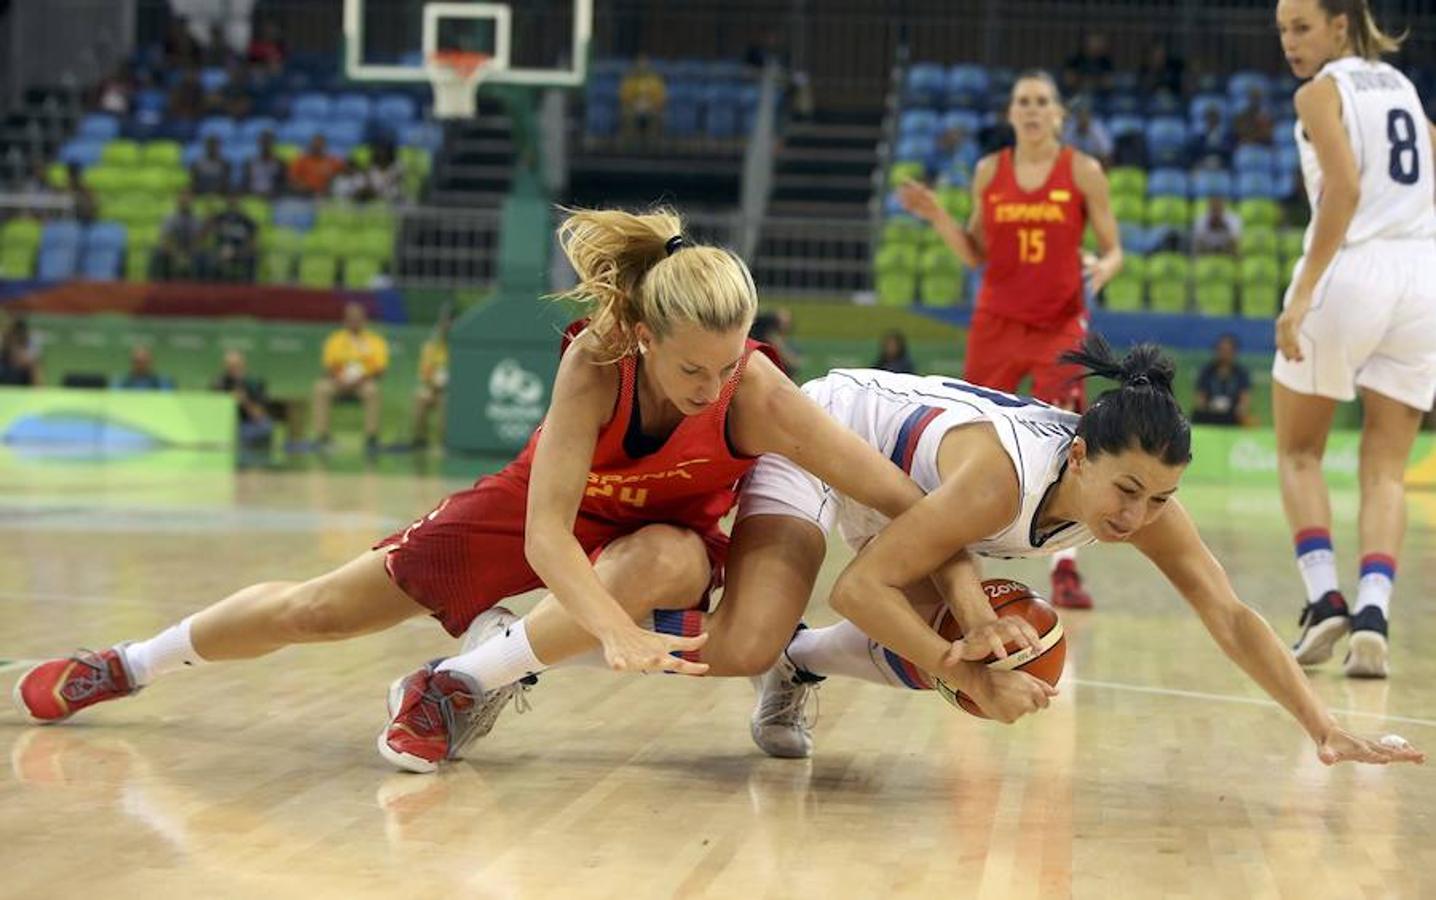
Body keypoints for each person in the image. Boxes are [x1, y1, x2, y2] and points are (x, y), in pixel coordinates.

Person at [12, 208, 994, 775]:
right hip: (544, 519)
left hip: (660, 537)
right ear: (646, 339)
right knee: (316, 611)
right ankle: (126, 663)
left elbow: (907, 502)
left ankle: (456, 686)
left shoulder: (758, 390)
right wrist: (605, 629)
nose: (715, 386)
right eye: (696, 371)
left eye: (729, 364)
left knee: (664, 558)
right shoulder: (592, 368)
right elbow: (545, 538)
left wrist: (964, 598)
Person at [744, 338, 1424, 767]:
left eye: (1161, 498)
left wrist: (1324, 725)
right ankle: (743, 639)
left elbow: (1230, 614)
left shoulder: (1138, 497)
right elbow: (858, 590)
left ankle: (796, 663)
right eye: (1128, 491)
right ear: (1078, 457)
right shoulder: (1000, 481)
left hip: (912, 492)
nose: (1138, 516)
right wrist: (976, 681)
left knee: (969, 639)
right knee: (744, 640)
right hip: (823, 435)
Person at [898, 69, 1123, 610]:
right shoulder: (988, 171)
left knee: (1071, 439)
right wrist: (935, 217)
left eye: (1042, 101)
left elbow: (1114, 249)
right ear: (1010, 112)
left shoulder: (1083, 171)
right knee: (969, 434)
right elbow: (975, 254)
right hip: (997, 320)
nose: (1031, 109)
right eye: (1022, 100)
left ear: (1058, 114)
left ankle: (1065, 566)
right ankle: (950, 554)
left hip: (1060, 323)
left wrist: (1103, 269)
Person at [1272, 0, 1436, 679]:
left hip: (1353, 270)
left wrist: (1304, 293)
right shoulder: (1400, 86)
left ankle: (1325, 599)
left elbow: (1341, 191)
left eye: (1301, 27)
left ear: (1341, 25)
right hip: (1422, 276)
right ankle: (1374, 614)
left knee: (1300, 450)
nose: (1289, 42)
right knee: (1385, 469)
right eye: (1281, 29)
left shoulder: (1319, 93)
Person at [310, 301, 389, 452]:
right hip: (338, 382)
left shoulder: (375, 341)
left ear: (365, 320)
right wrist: (340, 379)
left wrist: (359, 380)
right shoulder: (335, 340)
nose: (355, 321)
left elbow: (380, 369)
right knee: (320, 388)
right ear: (345, 320)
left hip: (364, 382)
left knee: (373, 391)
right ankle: (323, 437)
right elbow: (329, 366)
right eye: (351, 318)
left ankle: (371, 439)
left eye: (358, 318)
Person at [409, 308, 452, 448]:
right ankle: (420, 440)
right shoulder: (430, 347)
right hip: (433, 388)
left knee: (444, 401)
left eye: (448, 324)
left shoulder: (457, 346)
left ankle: (443, 443)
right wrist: (434, 385)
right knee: (420, 396)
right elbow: (425, 373)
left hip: (451, 391)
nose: (445, 327)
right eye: (442, 324)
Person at [213, 349, 273, 446]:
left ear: (243, 365)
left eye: (236, 365)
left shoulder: (254, 383)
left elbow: (258, 415)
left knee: (264, 426)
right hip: (225, 425)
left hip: (248, 424)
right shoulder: (219, 383)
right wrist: (225, 400)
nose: (233, 368)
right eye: (230, 365)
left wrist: (244, 400)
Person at [1192, 333, 1253, 425]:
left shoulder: (1241, 373)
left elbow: (1245, 398)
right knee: (1196, 414)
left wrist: (1240, 409)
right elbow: (1200, 398)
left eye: (1228, 351)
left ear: (1234, 352)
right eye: (1221, 350)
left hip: (1232, 414)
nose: (1224, 354)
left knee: (1246, 418)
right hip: (1210, 412)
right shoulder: (1206, 371)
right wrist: (1208, 407)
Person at [203, 194, 258, 282]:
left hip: (240, 249)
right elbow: (207, 228)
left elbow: (253, 233)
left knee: (251, 257)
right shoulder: (221, 217)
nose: (233, 201)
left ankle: (249, 287)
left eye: (235, 199)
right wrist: (209, 212)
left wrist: (248, 248)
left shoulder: (244, 219)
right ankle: (216, 286)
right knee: (212, 257)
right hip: (222, 249)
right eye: (231, 199)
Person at [618, 56, 666, 145]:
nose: (642, 67)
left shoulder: (655, 80)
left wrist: (651, 105)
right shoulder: (630, 79)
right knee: (626, 114)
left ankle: (652, 144)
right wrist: (634, 104)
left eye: (644, 65)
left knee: (656, 117)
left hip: (651, 107)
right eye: (640, 65)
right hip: (633, 107)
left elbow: (661, 96)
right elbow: (624, 95)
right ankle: (631, 144)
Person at [0, 314, 41, 386]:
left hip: (20, 378)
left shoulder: (28, 344)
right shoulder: (5, 341)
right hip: (5, 372)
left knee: (33, 367)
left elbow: (31, 362)